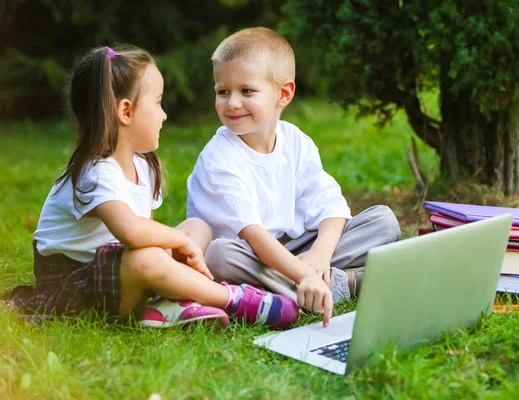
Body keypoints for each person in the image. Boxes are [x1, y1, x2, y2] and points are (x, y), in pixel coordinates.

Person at [4, 45, 298, 330]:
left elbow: (146, 233)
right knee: (148, 256)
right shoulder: (95, 173)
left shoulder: (142, 166)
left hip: (117, 277)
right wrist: (177, 244)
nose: (164, 115)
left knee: (198, 226)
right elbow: (131, 232)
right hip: (76, 291)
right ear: (126, 112)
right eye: (157, 102)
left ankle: (162, 306)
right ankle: (234, 299)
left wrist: (176, 245)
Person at [187, 28, 401, 327]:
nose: (232, 102)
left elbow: (331, 207)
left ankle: (303, 286)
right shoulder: (218, 159)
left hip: (296, 248)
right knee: (218, 255)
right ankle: (343, 284)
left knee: (383, 221)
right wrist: (303, 273)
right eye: (223, 92)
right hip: (248, 256)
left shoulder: (295, 141)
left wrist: (320, 255)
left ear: (283, 94)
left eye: (246, 91)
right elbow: (255, 236)